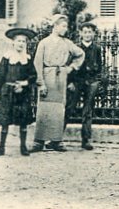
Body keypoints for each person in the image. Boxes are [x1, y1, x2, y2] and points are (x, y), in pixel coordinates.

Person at [31, 14, 84, 153]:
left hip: (61, 77)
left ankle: (56, 140)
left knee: (59, 109)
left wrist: (71, 68)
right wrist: (41, 83)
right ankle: (39, 141)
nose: (65, 29)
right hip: (47, 76)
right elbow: (37, 64)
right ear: (55, 26)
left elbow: (80, 54)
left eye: (66, 26)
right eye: (63, 26)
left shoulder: (67, 43)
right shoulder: (44, 43)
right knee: (44, 109)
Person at [0, 27, 37, 157]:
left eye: (23, 41)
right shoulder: (7, 58)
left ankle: (23, 147)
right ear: (13, 42)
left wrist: (24, 84)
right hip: (8, 93)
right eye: (18, 41)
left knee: (23, 120)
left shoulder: (27, 59)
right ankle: (1, 147)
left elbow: (33, 75)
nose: (21, 43)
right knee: (5, 120)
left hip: (23, 93)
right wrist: (3, 92)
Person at [65, 19, 103, 151]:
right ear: (80, 33)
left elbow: (99, 67)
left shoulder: (97, 48)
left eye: (90, 32)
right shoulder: (75, 47)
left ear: (93, 34)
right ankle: (57, 139)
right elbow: (69, 64)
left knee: (88, 111)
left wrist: (97, 81)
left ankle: (85, 140)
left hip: (91, 81)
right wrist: (70, 82)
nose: (87, 34)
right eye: (85, 32)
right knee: (69, 107)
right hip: (76, 81)